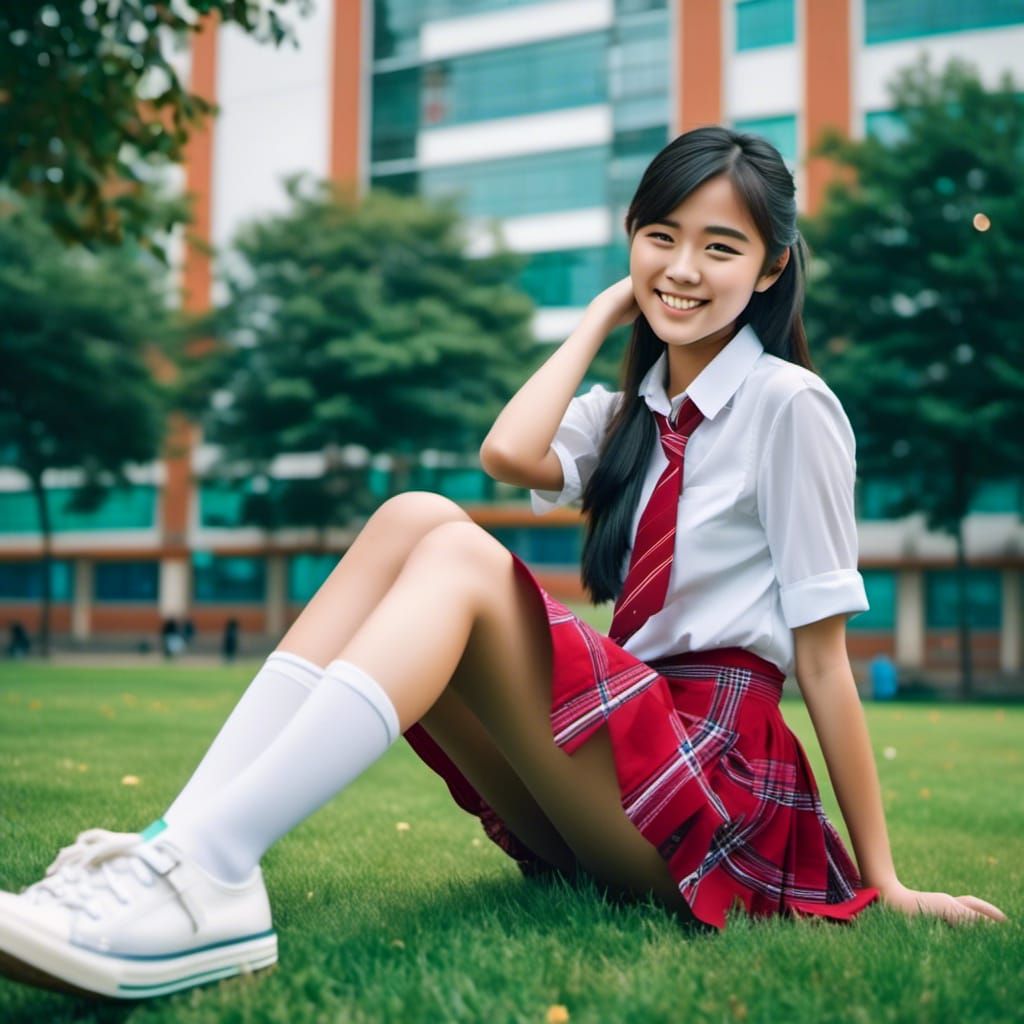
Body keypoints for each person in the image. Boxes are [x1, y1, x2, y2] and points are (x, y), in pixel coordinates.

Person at [0, 126, 1006, 1001]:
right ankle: (174, 847)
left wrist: (885, 878)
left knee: (456, 556)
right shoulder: (629, 415)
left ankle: (208, 870)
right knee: (414, 515)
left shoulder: (791, 405)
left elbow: (824, 661)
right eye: (661, 236)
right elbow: (507, 454)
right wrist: (601, 316)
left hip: (714, 781)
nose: (684, 268)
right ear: (631, 240)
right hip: (623, 763)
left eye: (721, 246)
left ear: (772, 267)